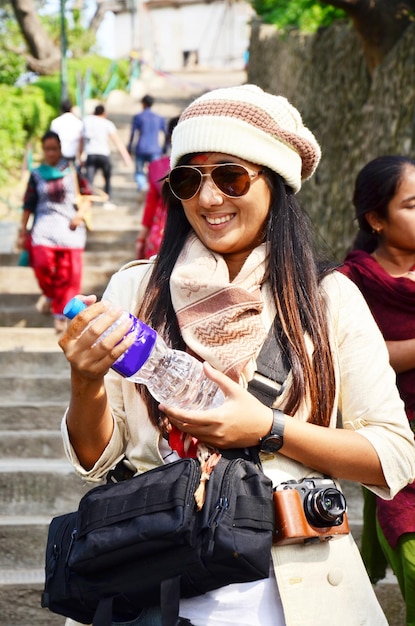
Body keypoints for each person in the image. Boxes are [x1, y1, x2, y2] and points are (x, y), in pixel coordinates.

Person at [58, 85, 415, 626]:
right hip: (151, 587)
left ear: (274, 183)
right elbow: (96, 461)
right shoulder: (136, 292)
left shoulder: (327, 298)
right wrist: (84, 381)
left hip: (299, 594)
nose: (208, 199)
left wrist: (269, 429)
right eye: (188, 179)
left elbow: (392, 453)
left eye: (231, 176)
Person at [339, 155, 415, 626]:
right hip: (397, 447)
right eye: (413, 204)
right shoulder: (348, 285)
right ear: (376, 219)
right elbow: (355, 360)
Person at [18, 130, 92, 334]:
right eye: (47, 149)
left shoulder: (72, 169)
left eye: (55, 149)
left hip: (70, 226)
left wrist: (81, 215)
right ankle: (50, 295)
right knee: (41, 263)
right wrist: (22, 230)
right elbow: (28, 204)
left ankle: (60, 314)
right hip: (44, 226)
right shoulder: (36, 174)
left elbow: (87, 195)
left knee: (69, 274)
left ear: (60, 149)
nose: (51, 153)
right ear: (43, 150)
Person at [135, 116, 180, 259]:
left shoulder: (157, 167)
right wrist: (142, 237)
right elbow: (151, 202)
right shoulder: (205, 166)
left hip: (161, 233)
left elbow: (151, 203)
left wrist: (142, 237)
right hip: (175, 234)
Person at [82, 104, 133, 210]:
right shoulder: (107, 123)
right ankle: (107, 200)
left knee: (89, 181)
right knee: (107, 178)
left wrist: (80, 155)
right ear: (104, 114)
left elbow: (81, 139)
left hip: (90, 153)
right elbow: (117, 141)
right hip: (103, 154)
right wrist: (126, 157)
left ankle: (86, 202)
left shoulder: (87, 121)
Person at [127, 94, 167, 192]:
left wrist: (129, 147)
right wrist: (165, 147)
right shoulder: (159, 118)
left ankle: (143, 188)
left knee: (139, 172)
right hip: (155, 149)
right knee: (155, 172)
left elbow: (132, 134)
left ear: (143, 103)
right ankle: (153, 191)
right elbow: (167, 134)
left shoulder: (138, 117)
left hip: (141, 148)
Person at [50, 99, 83, 163]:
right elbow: (81, 140)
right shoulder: (79, 122)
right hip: (74, 155)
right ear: (71, 109)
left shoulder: (55, 122)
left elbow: (52, 140)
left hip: (59, 155)